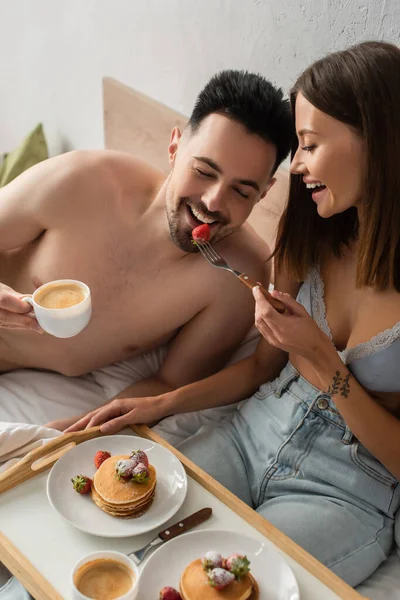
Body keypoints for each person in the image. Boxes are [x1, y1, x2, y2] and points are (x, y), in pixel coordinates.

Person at [68, 41, 400, 587]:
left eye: (311, 145)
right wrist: (159, 403)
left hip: (348, 488)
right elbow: (258, 370)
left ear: (377, 142)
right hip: (248, 435)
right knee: (119, 536)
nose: (298, 165)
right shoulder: (312, 233)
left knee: (218, 585)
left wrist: (319, 356)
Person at [0, 70, 292, 412]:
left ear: (264, 193)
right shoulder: (82, 181)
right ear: (175, 147)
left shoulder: (237, 277)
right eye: (203, 172)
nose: (213, 202)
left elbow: (168, 386)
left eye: (241, 191)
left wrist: (68, 436)